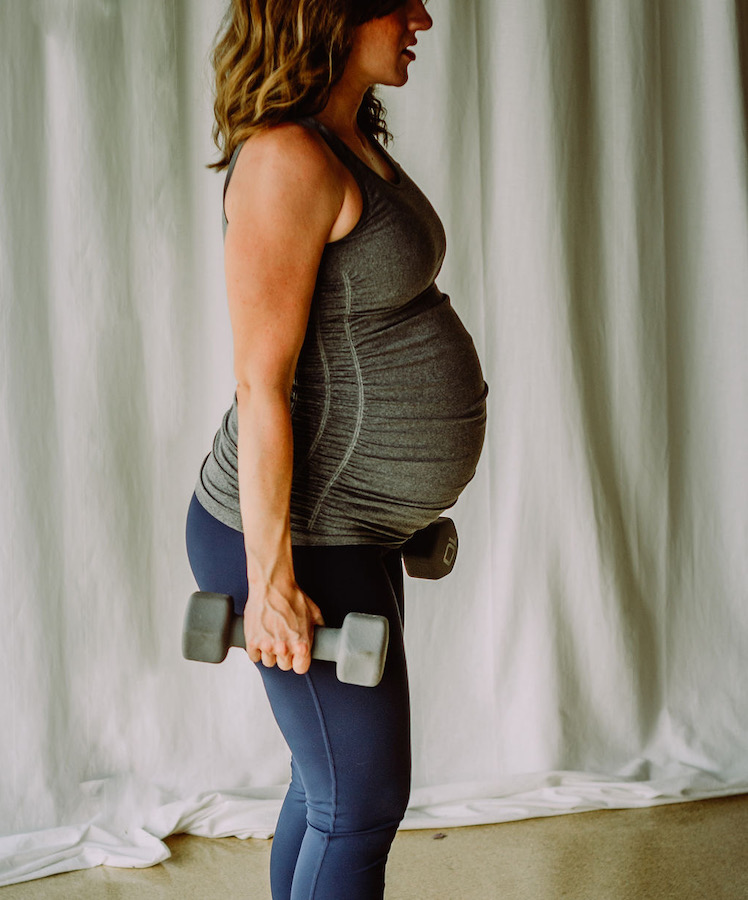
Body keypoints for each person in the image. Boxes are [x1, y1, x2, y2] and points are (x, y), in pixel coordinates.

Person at [185, 0, 488, 897]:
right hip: (297, 535)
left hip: (349, 528)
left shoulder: (344, 139)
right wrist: (270, 583)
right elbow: (260, 384)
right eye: (399, 2)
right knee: (356, 806)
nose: (424, 18)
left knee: (330, 792)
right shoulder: (285, 160)